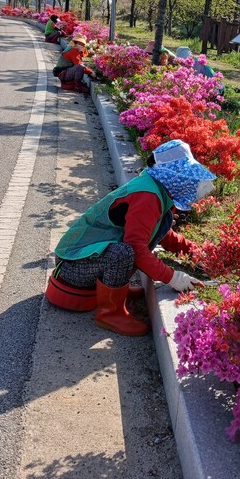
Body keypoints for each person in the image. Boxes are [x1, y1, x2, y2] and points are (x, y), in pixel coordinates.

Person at [45, 139, 215, 336]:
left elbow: (160, 232)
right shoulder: (148, 195)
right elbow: (136, 248)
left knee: (164, 221)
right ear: (173, 175)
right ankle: (110, 313)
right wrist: (173, 278)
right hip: (71, 268)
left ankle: (117, 291)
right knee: (123, 252)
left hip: (84, 261)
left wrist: (197, 254)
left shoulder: (154, 188)